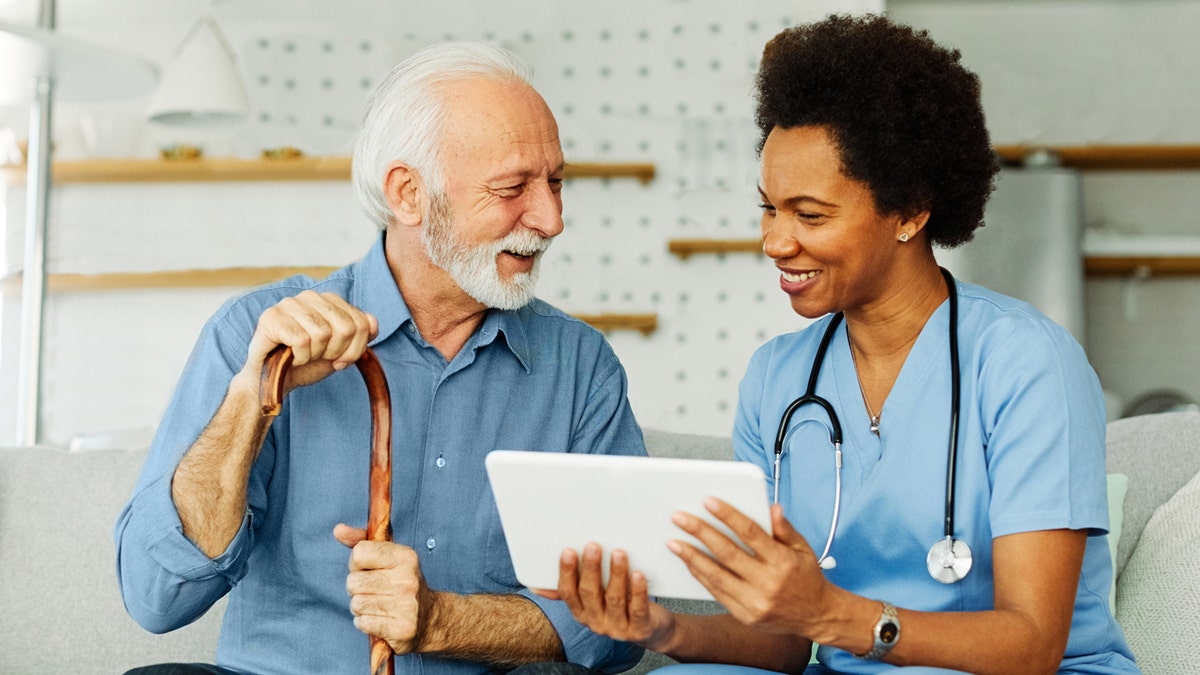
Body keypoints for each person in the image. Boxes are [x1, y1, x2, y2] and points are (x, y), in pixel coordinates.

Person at [546, 14, 1139, 675]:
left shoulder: (1027, 363)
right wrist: (661, 628)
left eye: (811, 214)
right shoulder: (778, 377)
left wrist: (832, 614)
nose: (775, 240)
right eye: (769, 207)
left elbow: (1030, 644)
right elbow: (784, 643)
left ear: (910, 211)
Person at [114, 42, 646, 675]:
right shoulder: (255, 335)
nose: (552, 219)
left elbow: (624, 626)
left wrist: (444, 621)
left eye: (555, 182)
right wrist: (250, 402)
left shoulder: (580, 368)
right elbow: (155, 596)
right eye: (513, 188)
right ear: (409, 194)